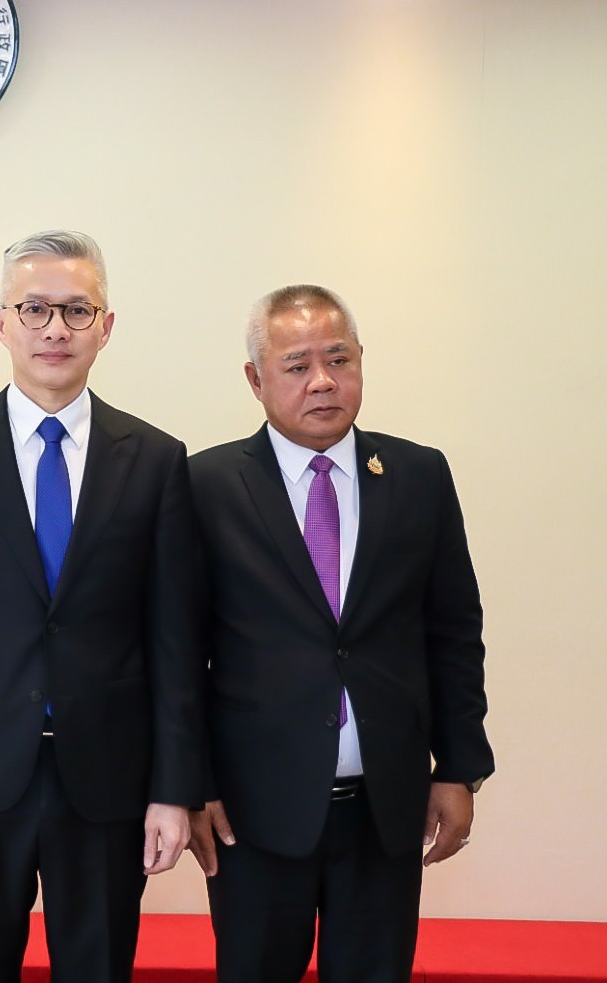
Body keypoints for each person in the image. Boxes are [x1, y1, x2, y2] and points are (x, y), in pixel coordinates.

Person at [0, 231, 206, 983]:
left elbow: (176, 642)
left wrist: (173, 790)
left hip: (108, 775)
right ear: (1, 323)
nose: (55, 329)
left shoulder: (156, 459)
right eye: (34, 309)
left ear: (106, 326)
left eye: (75, 310)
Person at [187, 284, 493, 983]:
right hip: (253, 811)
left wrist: (458, 768)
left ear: (360, 362)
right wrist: (191, 783)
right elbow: (180, 650)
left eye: (338, 359)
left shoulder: (418, 474)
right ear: (255, 379)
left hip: (387, 805)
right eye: (297, 366)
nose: (322, 381)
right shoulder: (207, 485)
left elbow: (453, 632)